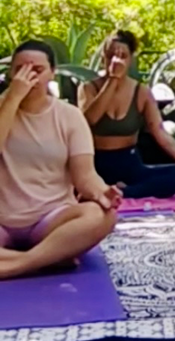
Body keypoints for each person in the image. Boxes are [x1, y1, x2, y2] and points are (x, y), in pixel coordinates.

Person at [0, 40, 119, 279]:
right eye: (21, 69)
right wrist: (12, 99)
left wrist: (101, 192)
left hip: (50, 219)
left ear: (52, 73)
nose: (29, 77)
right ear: (11, 74)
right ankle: (50, 257)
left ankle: (16, 264)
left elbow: (85, 175)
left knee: (101, 216)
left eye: (37, 70)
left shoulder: (69, 116)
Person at [79, 30, 175, 198]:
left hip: (129, 163)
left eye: (122, 56)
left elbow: (159, 131)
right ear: (103, 57)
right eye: (110, 56)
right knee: (75, 183)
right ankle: (108, 191)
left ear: (130, 60)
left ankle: (123, 192)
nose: (115, 61)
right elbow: (89, 120)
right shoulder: (87, 88)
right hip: (95, 164)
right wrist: (112, 79)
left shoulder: (141, 92)